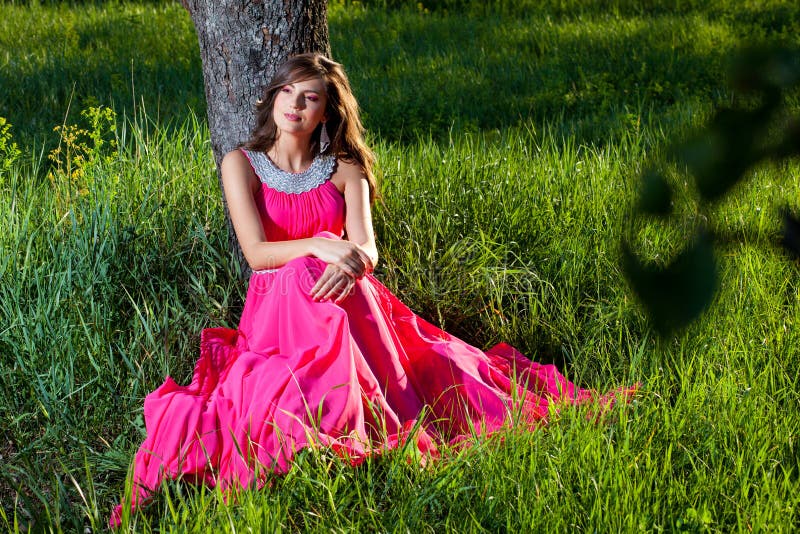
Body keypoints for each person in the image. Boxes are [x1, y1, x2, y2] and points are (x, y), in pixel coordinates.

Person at [110, 53, 635, 526]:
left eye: (310, 97)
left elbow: (367, 248)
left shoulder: (344, 169)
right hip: (278, 309)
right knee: (300, 272)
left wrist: (348, 259)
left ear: (325, 114)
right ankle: (327, 415)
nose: (295, 105)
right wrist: (319, 244)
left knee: (348, 288)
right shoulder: (241, 164)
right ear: (272, 99)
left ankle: (348, 415)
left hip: (346, 299)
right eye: (288, 92)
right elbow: (257, 255)